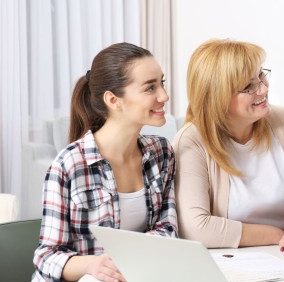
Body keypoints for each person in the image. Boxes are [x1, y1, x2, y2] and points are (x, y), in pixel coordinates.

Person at [174, 39, 284, 250]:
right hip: (230, 262)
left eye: (261, 76)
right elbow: (195, 227)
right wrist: (278, 235)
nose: (263, 89)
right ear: (217, 97)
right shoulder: (191, 141)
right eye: (249, 86)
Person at [32, 43, 177, 282]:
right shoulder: (69, 165)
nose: (164, 95)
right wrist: (92, 265)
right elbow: (46, 256)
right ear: (113, 99)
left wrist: (133, 261)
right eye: (150, 88)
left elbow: (167, 228)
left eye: (162, 83)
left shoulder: (161, 152)